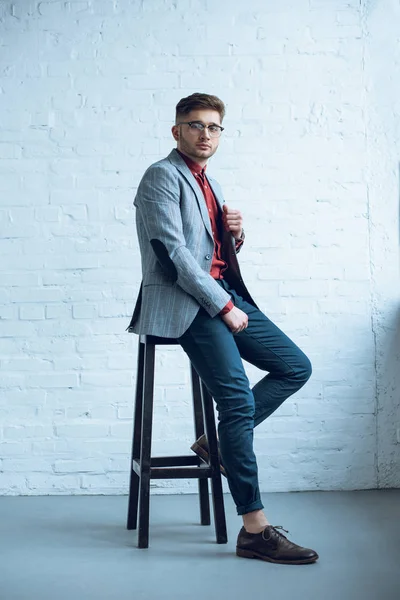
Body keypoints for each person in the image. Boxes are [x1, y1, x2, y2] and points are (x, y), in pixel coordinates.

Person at [126, 92, 319, 565]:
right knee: (234, 400)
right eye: (195, 125)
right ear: (177, 131)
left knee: (295, 366)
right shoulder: (161, 176)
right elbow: (174, 256)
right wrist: (223, 307)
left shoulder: (208, 182)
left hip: (222, 293)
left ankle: (215, 444)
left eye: (214, 127)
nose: (205, 134)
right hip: (186, 303)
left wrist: (234, 234)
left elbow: (208, 250)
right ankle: (254, 528)